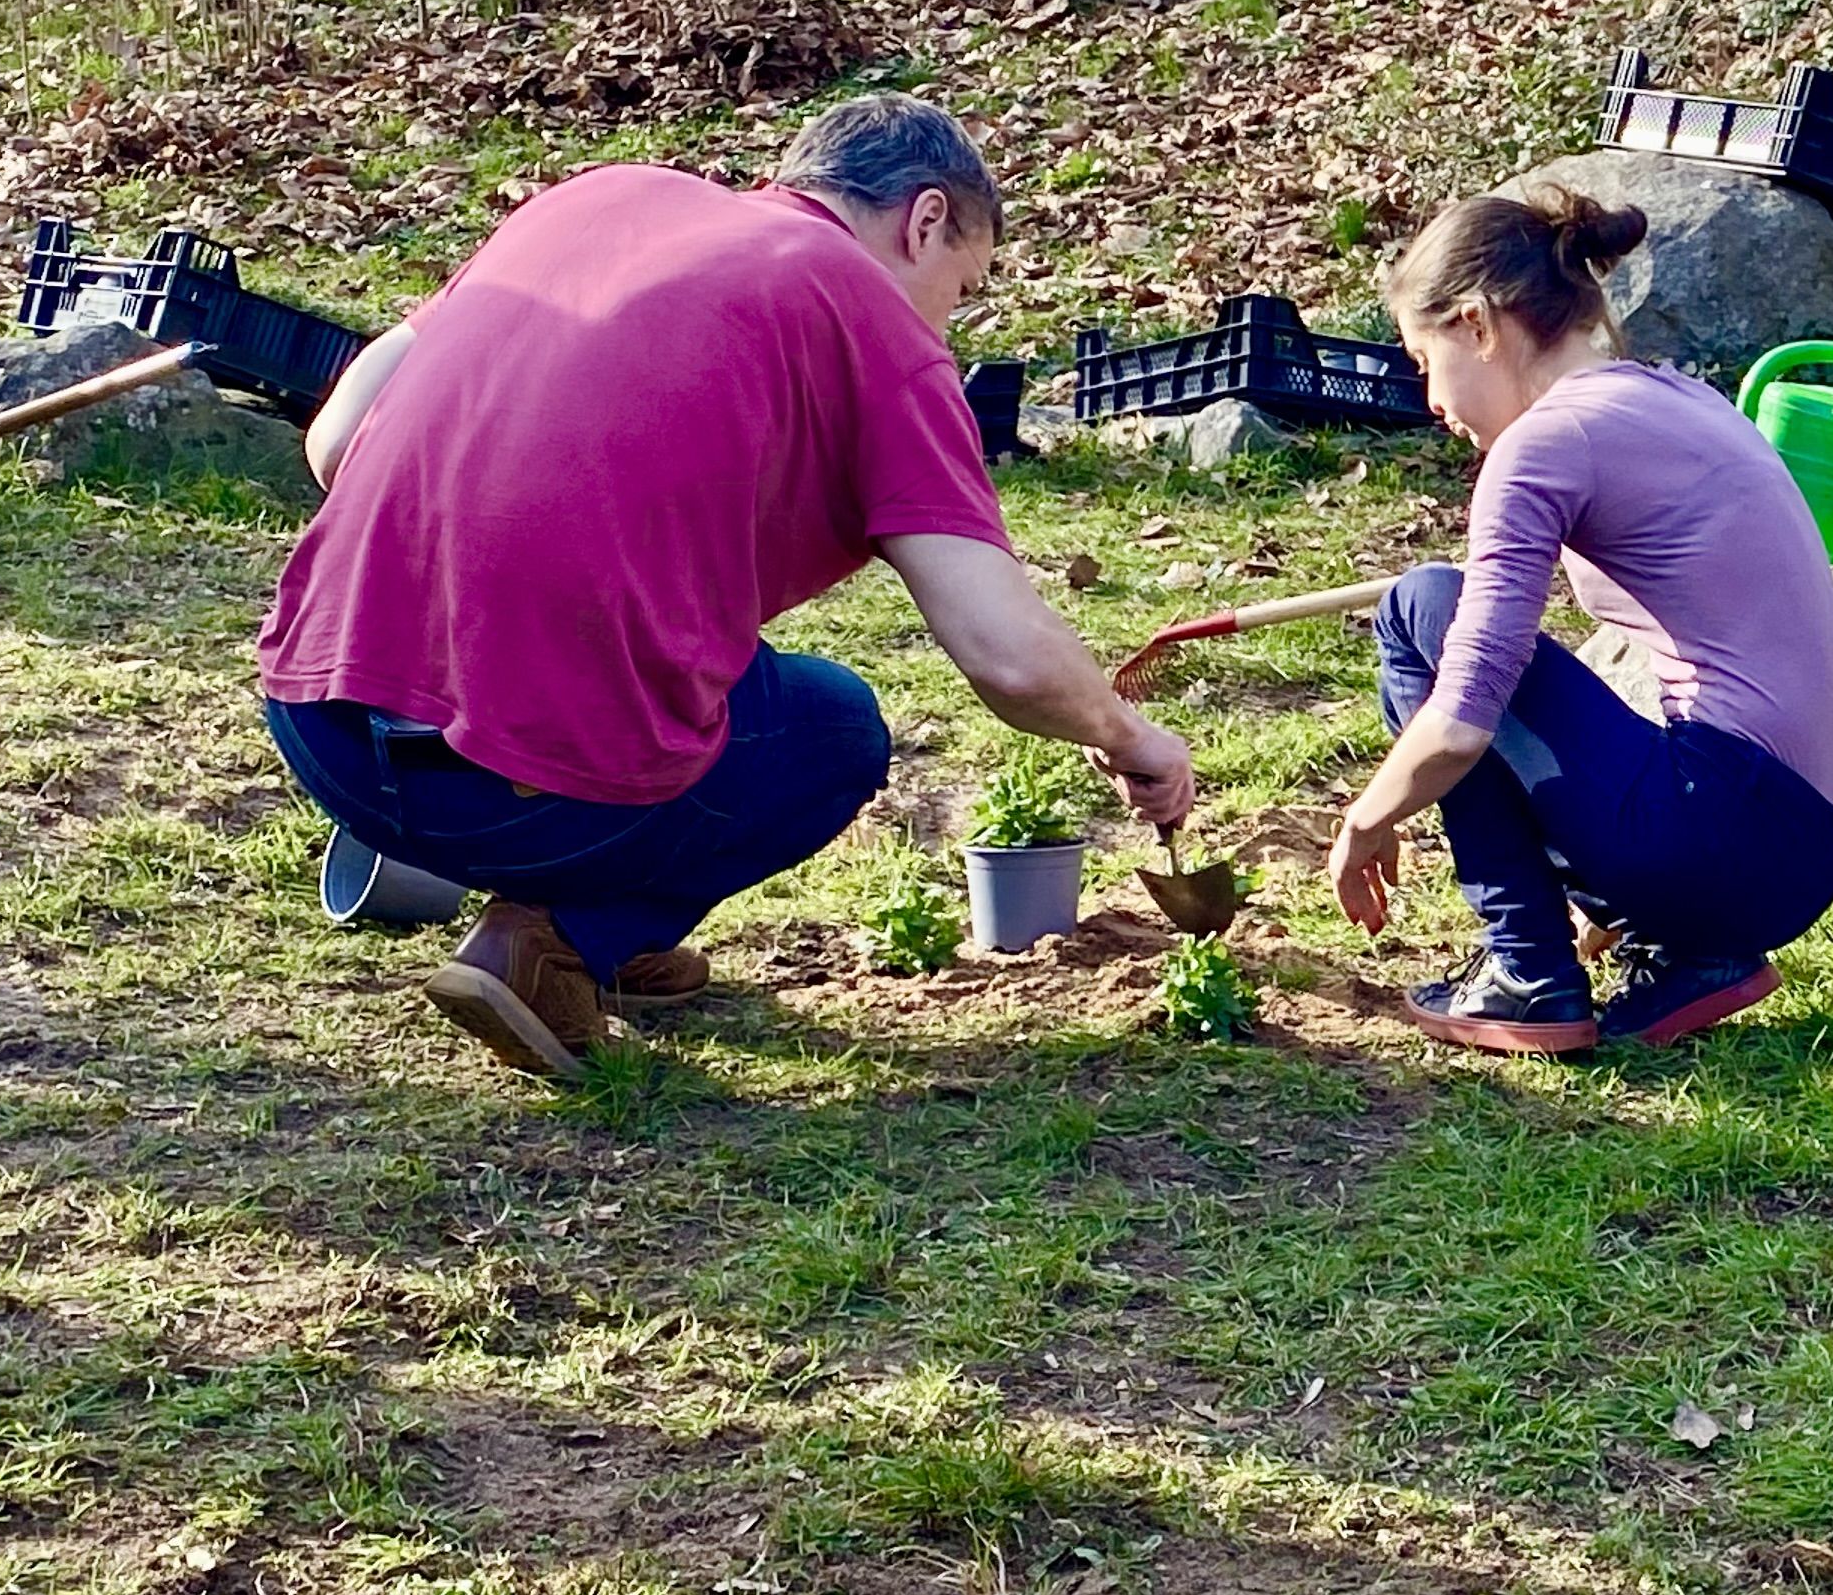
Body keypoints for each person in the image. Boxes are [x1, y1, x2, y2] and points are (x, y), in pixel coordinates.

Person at [260, 95, 1195, 1077]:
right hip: (507, 793)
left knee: (708, 670)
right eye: (959, 289)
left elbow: (333, 442)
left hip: (318, 729)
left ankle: (608, 925)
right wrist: (1131, 737)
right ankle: (559, 935)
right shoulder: (871, 324)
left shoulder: (596, 197)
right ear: (925, 220)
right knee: (831, 732)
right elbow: (1005, 655)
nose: (946, 326)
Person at [1327, 181, 1833, 1053]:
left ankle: (1525, 973)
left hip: (1726, 838)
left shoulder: (1544, 444)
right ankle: (1682, 949)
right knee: (1460, 624)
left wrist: (1365, 821)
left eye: (1425, 363)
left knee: (1420, 605)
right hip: (1809, 852)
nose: (1431, 402)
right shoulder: (1675, 397)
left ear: (1477, 324)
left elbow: (1468, 716)